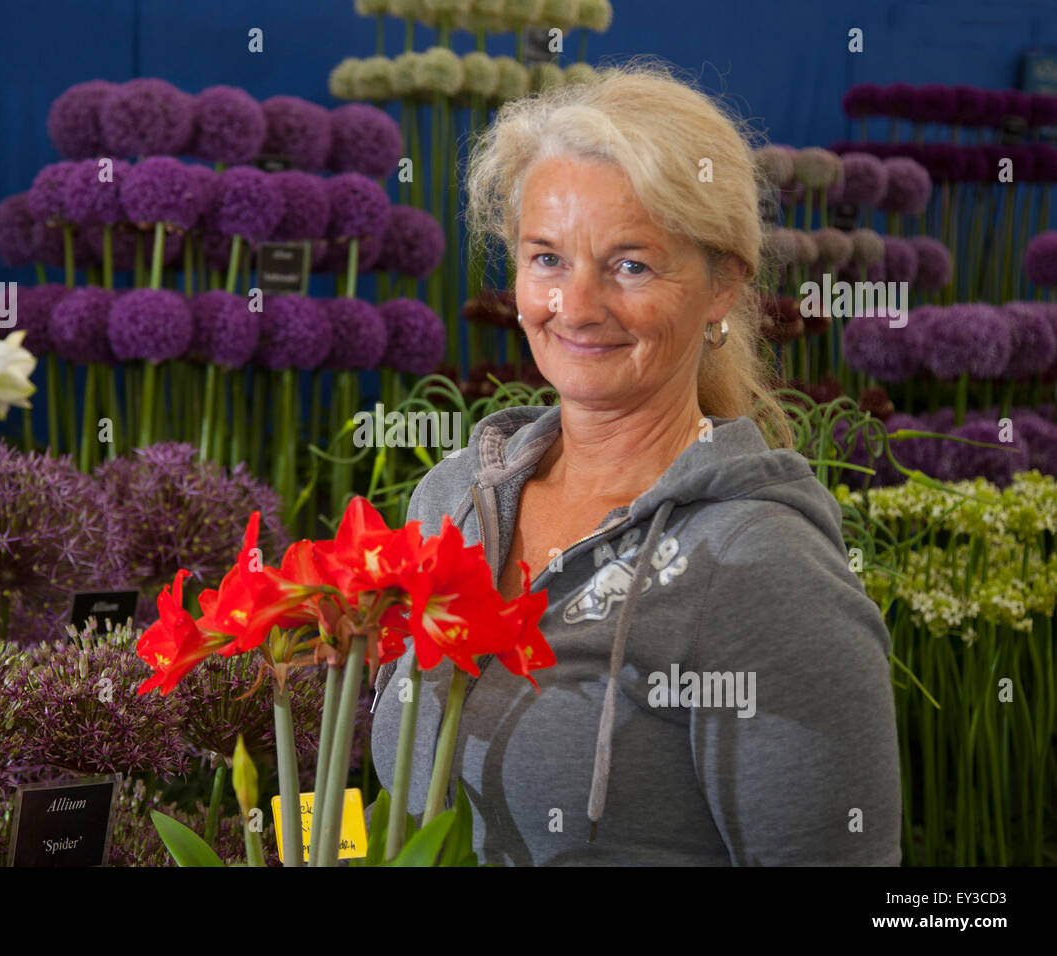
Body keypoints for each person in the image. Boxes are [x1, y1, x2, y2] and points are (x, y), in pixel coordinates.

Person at [369, 58, 901, 866]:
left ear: (722, 284)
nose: (576, 307)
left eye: (631, 265)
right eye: (546, 258)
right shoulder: (452, 500)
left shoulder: (762, 569)